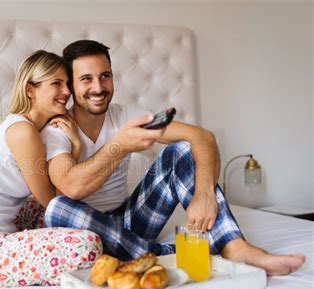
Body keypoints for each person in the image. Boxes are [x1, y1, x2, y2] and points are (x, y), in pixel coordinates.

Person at [41, 40, 305, 276]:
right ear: (70, 85)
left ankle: (235, 247)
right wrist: (120, 144)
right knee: (57, 209)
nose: (98, 87)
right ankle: (168, 254)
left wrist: (204, 194)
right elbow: (71, 187)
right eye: (86, 79)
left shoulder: (127, 115)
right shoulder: (58, 129)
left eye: (105, 76)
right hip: (87, 231)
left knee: (180, 150)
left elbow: (202, 137)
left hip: (131, 220)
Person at [0, 50, 102, 288]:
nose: (67, 92)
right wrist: (76, 146)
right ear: (30, 90)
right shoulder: (23, 132)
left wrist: (74, 146)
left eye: (67, 83)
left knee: (80, 218)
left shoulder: (31, 129)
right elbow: (53, 202)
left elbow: (50, 198)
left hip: (5, 232)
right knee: (87, 244)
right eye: (56, 83)